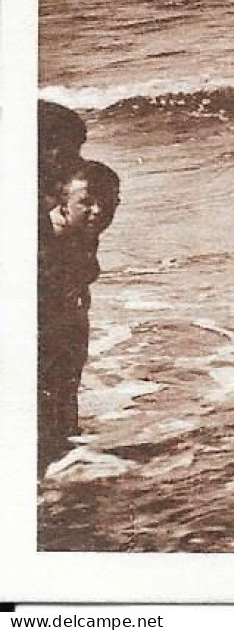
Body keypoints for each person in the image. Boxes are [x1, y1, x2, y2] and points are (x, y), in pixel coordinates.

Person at [39, 159, 120, 470]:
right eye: (86, 201)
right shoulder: (48, 239)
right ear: (63, 201)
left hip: (70, 318)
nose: (98, 210)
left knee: (65, 389)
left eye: (107, 202)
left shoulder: (85, 230)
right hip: (48, 322)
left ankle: (64, 449)